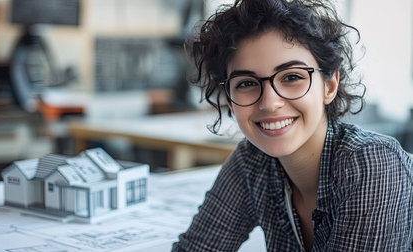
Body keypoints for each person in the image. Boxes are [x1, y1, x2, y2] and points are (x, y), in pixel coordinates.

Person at [172, 0, 413, 251]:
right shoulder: (251, 161)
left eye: (292, 77)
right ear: (230, 100)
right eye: (245, 83)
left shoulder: (372, 162)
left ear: (329, 86)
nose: (269, 103)